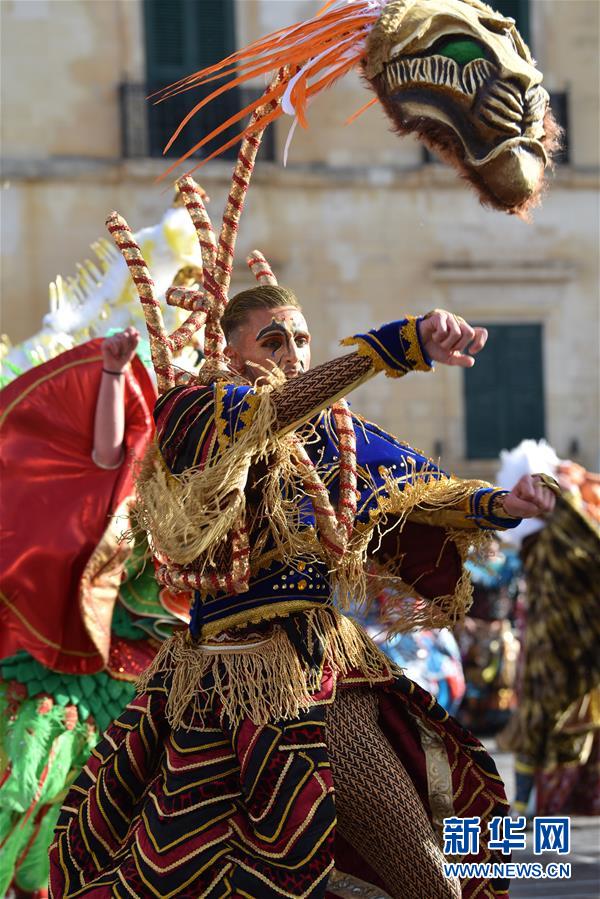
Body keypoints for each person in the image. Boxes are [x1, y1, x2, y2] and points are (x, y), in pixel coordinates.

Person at [49, 288, 556, 899]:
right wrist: (390, 348)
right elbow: (259, 420)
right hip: (210, 689)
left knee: (423, 869)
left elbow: (423, 490)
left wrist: (507, 504)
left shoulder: (333, 432)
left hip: (317, 673)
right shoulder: (191, 412)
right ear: (230, 351)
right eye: (274, 341)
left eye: (302, 340)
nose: (293, 353)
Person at [0, 329, 189, 899]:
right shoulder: (136, 489)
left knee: (76, 823)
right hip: (72, 671)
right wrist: (112, 375)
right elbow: (107, 455)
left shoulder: (215, 499)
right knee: (24, 787)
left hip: (139, 696)